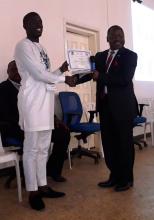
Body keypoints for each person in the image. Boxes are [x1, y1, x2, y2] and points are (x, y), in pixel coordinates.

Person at [14, 12, 75, 211]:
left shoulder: (42, 48)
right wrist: (63, 79)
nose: (38, 25)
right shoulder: (23, 46)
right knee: (31, 149)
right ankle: (33, 191)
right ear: (25, 26)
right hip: (32, 103)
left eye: (40, 22)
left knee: (42, 148)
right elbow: (38, 74)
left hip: (45, 102)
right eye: (33, 23)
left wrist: (61, 70)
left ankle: (43, 185)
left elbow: (47, 75)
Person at [75, 25, 138, 192]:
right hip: (105, 107)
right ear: (107, 38)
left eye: (120, 35)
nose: (118, 37)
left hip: (123, 108)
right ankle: (114, 176)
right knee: (109, 144)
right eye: (114, 35)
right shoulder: (100, 57)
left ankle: (126, 179)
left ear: (124, 38)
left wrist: (100, 76)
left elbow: (124, 79)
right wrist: (74, 79)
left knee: (124, 144)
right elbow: (89, 73)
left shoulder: (130, 56)